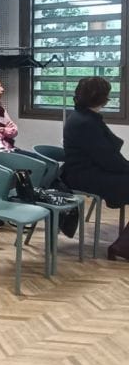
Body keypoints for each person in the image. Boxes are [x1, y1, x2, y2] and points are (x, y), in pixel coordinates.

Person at [62, 76, 129, 260]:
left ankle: (124, 245)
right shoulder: (86, 122)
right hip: (85, 176)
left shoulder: (82, 116)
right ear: (101, 97)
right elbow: (108, 160)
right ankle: (123, 247)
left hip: (86, 171)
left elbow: (107, 157)